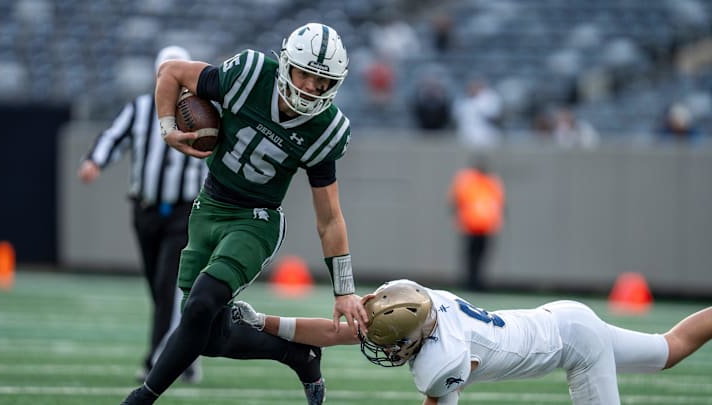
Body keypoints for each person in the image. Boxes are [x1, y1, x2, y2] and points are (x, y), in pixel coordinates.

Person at [121, 22, 368, 404]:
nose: (313, 88)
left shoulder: (325, 129)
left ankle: (140, 399)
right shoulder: (250, 74)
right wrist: (168, 128)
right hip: (208, 207)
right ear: (286, 64)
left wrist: (345, 290)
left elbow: (330, 218)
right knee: (203, 330)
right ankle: (297, 355)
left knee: (202, 304)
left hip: (256, 219)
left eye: (323, 81)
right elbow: (170, 72)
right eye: (307, 74)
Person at [232, 279, 712, 405]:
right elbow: (341, 330)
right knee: (667, 351)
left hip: (575, 345)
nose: (382, 350)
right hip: (565, 318)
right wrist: (266, 321)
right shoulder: (418, 302)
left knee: (666, 353)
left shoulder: (442, 361)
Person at [78, 45, 205, 384]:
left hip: (184, 213)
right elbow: (113, 137)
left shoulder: (202, 111)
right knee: (157, 286)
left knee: (167, 287)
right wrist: (95, 161)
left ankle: (155, 362)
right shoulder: (139, 109)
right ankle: (186, 354)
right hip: (146, 210)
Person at [448, 158, 505, 291]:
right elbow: (458, 200)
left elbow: (497, 203)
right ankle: (470, 282)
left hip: (485, 225)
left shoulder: (489, 182)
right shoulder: (469, 181)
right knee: (471, 255)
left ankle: (477, 282)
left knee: (481, 255)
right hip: (472, 225)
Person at [451, 79, 503, 147]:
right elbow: (456, 117)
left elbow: (495, 116)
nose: (473, 89)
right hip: (466, 135)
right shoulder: (462, 101)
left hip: (488, 134)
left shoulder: (489, 98)